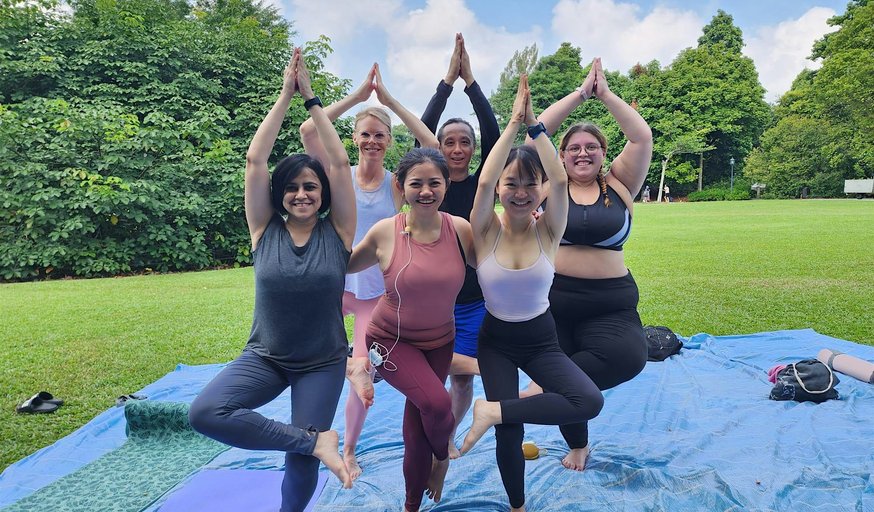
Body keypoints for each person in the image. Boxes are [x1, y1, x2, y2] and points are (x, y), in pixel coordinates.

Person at [188, 49, 356, 511]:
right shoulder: (264, 230)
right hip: (265, 357)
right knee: (206, 412)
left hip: (321, 363)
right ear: (279, 193)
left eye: (310, 187)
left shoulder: (339, 232)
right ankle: (314, 441)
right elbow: (254, 160)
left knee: (300, 465)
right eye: (292, 187)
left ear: (322, 193)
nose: (301, 194)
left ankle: (304, 461)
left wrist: (312, 100)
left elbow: (339, 163)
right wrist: (285, 95)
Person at [458, 75, 603, 512]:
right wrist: (511, 125)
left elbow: (560, 181)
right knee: (510, 433)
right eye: (511, 184)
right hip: (496, 342)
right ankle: (517, 506)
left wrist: (535, 125)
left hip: (541, 339)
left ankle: (494, 411)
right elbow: (483, 182)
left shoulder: (549, 229)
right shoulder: (484, 230)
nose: (520, 193)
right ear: (500, 189)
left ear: (540, 189)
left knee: (587, 400)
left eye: (529, 184)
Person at [300, 63, 439, 480]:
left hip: (375, 294)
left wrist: (389, 101)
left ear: (389, 140)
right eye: (365, 134)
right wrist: (359, 98)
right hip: (333, 283)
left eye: (380, 135)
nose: (372, 141)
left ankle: (349, 449)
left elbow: (431, 144)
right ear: (354, 138)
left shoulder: (397, 185)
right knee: (310, 359)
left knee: (365, 371)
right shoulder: (336, 174)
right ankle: (311, 434)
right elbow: (309, 131)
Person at [520, 57, 653, 471]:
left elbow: (641, 136)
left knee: (628, 356)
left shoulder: (621, 183)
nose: (583, 153)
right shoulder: (548, 184)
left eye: (591, 147)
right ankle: (577, 444)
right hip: (552, 302)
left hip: (610, 304)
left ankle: (537, 391)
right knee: (568, 371)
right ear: (560, 155)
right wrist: (580, 95)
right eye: (573, 148)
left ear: (603, 153)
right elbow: (533, 135)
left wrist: (605, 95)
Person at [347, 148, 475, 512]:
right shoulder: (385, 232)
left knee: (417, 428)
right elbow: (343, 264)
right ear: (401, 188)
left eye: (435, 183)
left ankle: (410, 506)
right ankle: (442, 458)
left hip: (441, 341)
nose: (426, 191)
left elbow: (495, 262)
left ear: (446, 186)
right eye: (416, 183)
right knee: (436, 403)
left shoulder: (460, 229)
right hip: (389, 340)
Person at [419, 32, 500, 459]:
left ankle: (445, 436)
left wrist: (472, 82)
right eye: (447, 141)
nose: (455, 148)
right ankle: (428, 428)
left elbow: (494, 132)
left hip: (473, 301)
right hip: (432, 299)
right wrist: (447, 82)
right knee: (429, 374)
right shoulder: (428, 184)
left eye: (463, 142)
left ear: (473, 149)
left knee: (462, 378)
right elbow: (421, 132)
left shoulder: (485, 183)